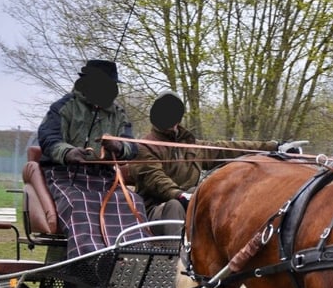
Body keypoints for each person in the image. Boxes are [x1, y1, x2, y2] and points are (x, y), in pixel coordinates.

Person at [124, 89, 305, 235]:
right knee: (175, 205)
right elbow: (157, 180)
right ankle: (175, 266)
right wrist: (179, 195)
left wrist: (275, 147)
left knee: (214, 196)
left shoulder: (191, 145)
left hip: (189, 201)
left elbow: (229, 148)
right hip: (154, 212)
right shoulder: (144, 147)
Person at [38, 59, 149, 258]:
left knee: (133, 200)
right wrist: (69, 152)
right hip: (66, 175)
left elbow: (131, 147)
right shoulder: (64, 107)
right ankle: (91, 259)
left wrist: (118, 147)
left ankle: (136, 257)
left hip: (104, 178)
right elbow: (49, 138)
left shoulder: (118, 114)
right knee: (78, 202)